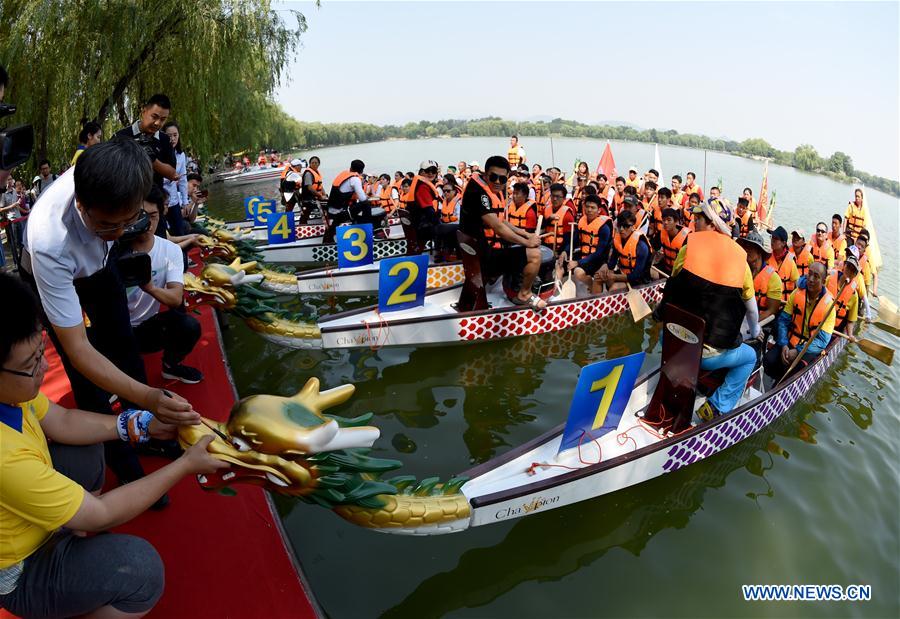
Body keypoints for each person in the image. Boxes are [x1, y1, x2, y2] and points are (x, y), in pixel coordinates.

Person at [0, 272, 227, 619]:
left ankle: (70, 534)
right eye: (30, 365)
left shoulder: (12, 394)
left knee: (89, 445)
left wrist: (141, 424)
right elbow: (101, 512)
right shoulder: (4, 457)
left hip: (33, 517)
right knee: (140, 570)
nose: (44, 368)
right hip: (22, 570)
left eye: (40, 353)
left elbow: (62, 421)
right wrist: (185, 465)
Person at [20, 140, 200, 491]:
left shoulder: (117, 176)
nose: (119, 234)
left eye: (128, 221)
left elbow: (115, 226)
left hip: (100, 268)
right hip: (59, 272)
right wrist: (151, 396)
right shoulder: (50, 241)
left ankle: (146, 431)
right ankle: (121, 459)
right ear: (81, 204)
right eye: (106, 225)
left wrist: (146, 399)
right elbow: (79, 350)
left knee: (125, 346)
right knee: (86, 377)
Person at [657, 199, 761, 419]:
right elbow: (752, 312)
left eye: (698, 220)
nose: (694, 224)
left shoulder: (687, 248)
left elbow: (673, 288)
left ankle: (674, 383)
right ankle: (717, 407)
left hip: (672, 342)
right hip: (705, 353)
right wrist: (757, 331)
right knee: (750, 356)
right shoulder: (741, 263)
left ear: (713, 224)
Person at [124, 192, 202, 383]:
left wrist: (149, 287)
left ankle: (171, 365)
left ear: (161, 214)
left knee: (189, 326)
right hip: (115, 329)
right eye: (140, 216)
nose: (148, 223)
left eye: (153, 216)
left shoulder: (171, 250)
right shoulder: (113, 249)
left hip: (147, 327)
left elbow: (176, 298)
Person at [458, 155, 546, 311]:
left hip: (475, 250)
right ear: (486, 174)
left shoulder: (488, 187)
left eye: (502, 179)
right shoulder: (478, 191)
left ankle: (488, 285)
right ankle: (524, 294)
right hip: (482, 255)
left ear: (507, 178)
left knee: (520, 248)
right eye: (493, 177)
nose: (498, 182)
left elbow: (501, 221)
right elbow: (497, 227)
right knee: (534, 254)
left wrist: (525, 234)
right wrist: (527, 242)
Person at [764, 262, 834, 382]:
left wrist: (797, 351)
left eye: (816, 276)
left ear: (823, 281)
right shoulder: (797, 293)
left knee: (795, 374)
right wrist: (784, 344)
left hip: (809, 348)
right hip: (790, 341)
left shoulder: (829, 305)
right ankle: (777, 381)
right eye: (809, 274)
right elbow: (783, 321)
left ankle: (782, 384)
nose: (811, 279)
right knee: (768, 360)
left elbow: (822, 341)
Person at [114, 94, 179, 192]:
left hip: (155, 202)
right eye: (154, 116)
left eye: (163, 119)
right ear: (144, 111)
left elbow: (172, 174)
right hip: (126, 199)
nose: (157, 123)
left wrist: (152, 160)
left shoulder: (165, 139)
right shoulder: (120, 137)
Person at [565, 194, 612, 294]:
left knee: (578, 272)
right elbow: (575, 240)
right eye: (587, 207)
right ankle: (558, 292)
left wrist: (578, 262)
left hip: (597, 259)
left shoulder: (604, 228)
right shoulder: (582, 221)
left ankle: (592, 286)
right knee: (559, 263)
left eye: (593, 208)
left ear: (599, 210)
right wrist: (565, 252)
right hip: (584, 255)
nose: (589, 210)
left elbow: (599, 253)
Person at [597, 209, 651, 291]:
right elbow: (612, 264)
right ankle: (596, 302)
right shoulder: (618, 240)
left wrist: (614, 277)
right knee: (598, 277)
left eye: (625, 226)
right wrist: (605, 267)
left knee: (614, 288)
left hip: (639, 279)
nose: (621, 229)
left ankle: (611, 300)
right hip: (623, 273)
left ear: (633, 227)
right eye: (619, 225)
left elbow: (636, 275)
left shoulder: (641, 246)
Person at [324, 159, 374, 241]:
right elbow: (362, 199)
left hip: (331, 210)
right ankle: (367, 233)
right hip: (339, 212)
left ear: (350, 168)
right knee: (366, 204)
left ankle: (358, 227)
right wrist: (366, 197)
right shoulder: (355, 179)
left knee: (358, 206)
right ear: (361, 171)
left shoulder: (343, 175)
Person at [738, 230, 782, 322]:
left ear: (759, 252)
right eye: (745, 246)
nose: (746, 250)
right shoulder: (740, 270)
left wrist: (749, 325)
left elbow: (772, 310)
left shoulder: (774, 278)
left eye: (750, 247)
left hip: (760, 324)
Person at [403, 160, 441, 252]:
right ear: (422, 172)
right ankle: (443, 255)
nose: (431, 173)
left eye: (434, 171)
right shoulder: (423, 187)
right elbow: (428, 209)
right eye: (428, 171)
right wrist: (438, 219)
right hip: (422, 226)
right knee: (450, 230)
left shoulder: (420, 183)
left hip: (417, 223)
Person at [162, 122, 189, 236]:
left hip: (174, 201)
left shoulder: (180, 155)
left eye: (175, 135)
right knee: (163, 234)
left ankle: (181, 254)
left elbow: (183, 180)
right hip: (161, 202)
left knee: (179, 232)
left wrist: (185, 202)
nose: (172, 139)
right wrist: (169, 177)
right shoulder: (159, 154)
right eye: (169, 136)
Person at [825, 252, 862, 338]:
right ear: (844, 266)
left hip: (834, 330)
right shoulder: (830, 278)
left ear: (855, 274)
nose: (849, 271)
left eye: (853, 270)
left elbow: (850, 320)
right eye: (848, 267)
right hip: (819, 321)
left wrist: (850, 335)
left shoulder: (854, 295)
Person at [767, 226, 799, 302]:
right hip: (769, 300)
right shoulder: (767, 257)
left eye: (776, 239)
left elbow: (797, 283)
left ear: (783, 243)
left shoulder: (790, 260)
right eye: (772, 237)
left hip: (784, 303)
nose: (772, 241)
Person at [654, 206, 689, 275]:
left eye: (669, 220)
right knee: (652, 272)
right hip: (666, 268)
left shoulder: (686, 237)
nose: (665, 222)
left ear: (676, 222)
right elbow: (653, 249)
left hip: (680, 273)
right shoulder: (661, 233)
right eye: (664, 220)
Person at [543, 183, 575, 253]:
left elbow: (568, 238)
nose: (554, 199)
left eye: (558, 196)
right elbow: (542, 226)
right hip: (545, 246)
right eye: (553, 196)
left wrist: (560, 252)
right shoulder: (546, 209)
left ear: (564, 198)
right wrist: (549, 219)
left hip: (558, 248)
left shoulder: (567, 214)